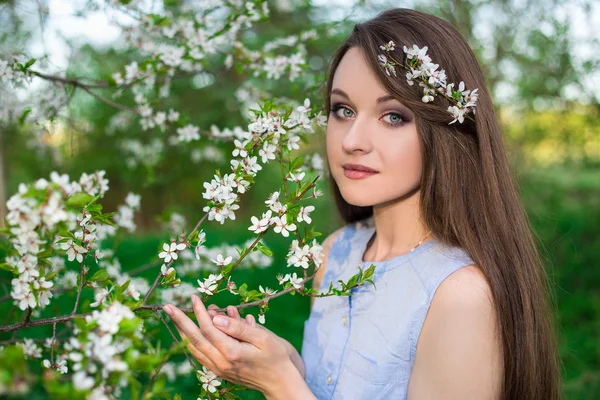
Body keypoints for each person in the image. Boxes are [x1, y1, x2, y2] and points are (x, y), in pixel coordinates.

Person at [163, 7, 562, 400]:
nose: (352, 139)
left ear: (445, 130)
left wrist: (281, 384)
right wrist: (282, 361)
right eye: (343, 110)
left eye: (392, 116)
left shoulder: (459, 296)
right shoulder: (336, 252)